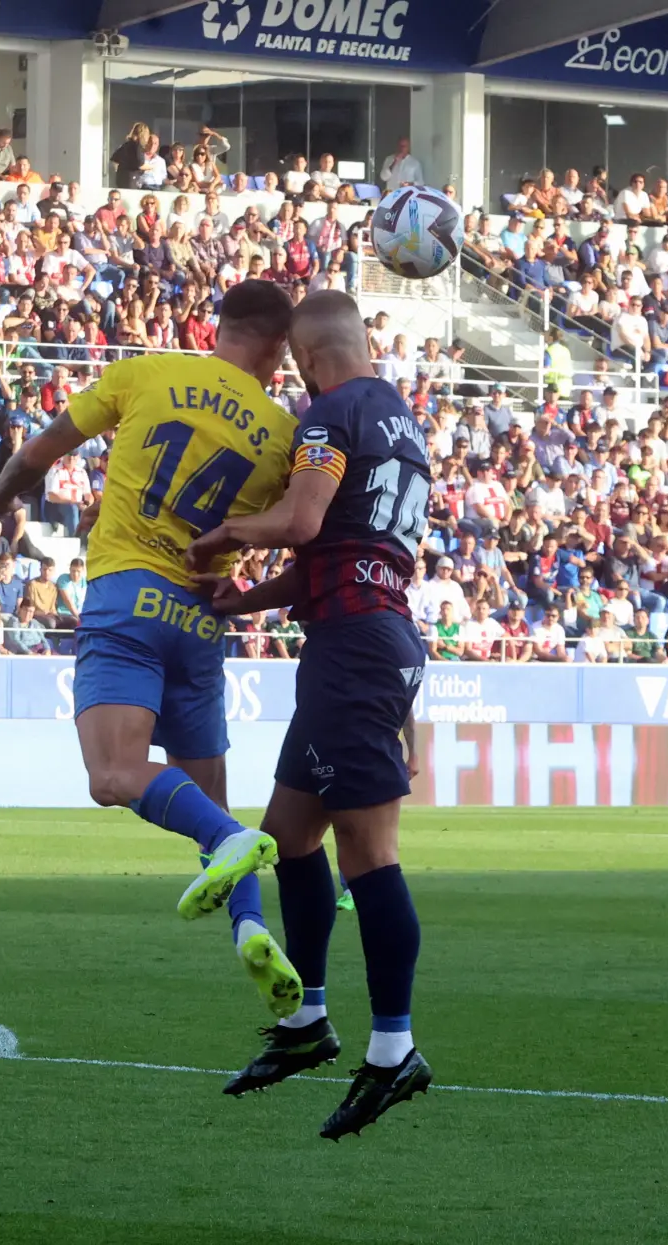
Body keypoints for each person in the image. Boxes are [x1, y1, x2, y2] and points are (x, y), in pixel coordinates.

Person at [0, 279, 301, 1017]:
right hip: (202, 621)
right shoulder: (282, 434)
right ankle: (252, 925)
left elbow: (43, 450)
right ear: (278, 349)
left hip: (127, 598)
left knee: (115, 775)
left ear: (219, 326)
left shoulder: (148, 372)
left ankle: (235, 845)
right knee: (207, 801)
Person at [185, 290, 432, 1140]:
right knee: (291, 833)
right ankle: (306, 1022)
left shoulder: (329, 415)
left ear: (304, 359)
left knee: (369, 854)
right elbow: (336, 551)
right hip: (367, 634)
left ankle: (395, 1050)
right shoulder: (400, 417)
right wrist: (245, 598)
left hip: (356, 649)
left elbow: (300, 519)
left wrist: (225, 532)